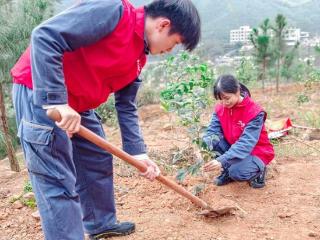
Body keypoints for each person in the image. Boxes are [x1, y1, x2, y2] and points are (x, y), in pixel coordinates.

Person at [10, 0, 201, 239]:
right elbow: (45, 36)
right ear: (163, 25)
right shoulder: (115, 12)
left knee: (96, 158)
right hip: (40, 92)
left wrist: (138, 153)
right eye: (174, 44)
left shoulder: (139, 57)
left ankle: (101, 223)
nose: (169, 51)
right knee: (57, 178)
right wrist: (56, 100)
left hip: (77, 103)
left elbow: (126, 105)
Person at [203, 75, 274, 189]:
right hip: (234, 147)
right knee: (213, 140)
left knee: (237, 172)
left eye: (227, 98)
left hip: (256, 151)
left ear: (237, 91)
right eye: (221, 99)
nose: (224, 103)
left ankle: (258, 170)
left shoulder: (254, 112)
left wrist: (222, 160)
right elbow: (212, 131)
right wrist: (203, 146)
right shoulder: (220, 108)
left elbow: (246, 143)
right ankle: (228, 169)